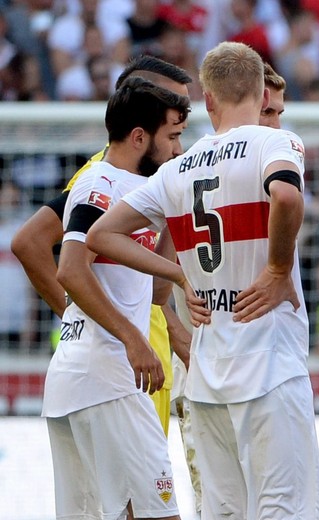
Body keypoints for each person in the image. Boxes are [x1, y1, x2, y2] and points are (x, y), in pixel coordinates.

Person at [87, 41, 319, 518]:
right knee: (284, 508)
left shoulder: (177, 168)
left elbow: (101, 234)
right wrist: (277, 270)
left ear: (208, 102)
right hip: (269, 366)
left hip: (209, 375)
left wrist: (179, 275)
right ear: (260, 95)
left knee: (224, 511)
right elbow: (288, 198)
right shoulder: (277, 142)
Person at [12, 54, 193, 435]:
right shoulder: (103, 176)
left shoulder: (152, 177)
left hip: (142, 351)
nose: (180, 138)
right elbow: (31, 243)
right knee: (141, 491)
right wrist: (80, 316)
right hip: (122, 359)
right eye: (172, 123)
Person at [43, 77, 190, 520]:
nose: (178, 149)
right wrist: (132, 338)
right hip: (106, 377)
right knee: (159, 515)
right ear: (140, 136)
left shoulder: (137, 191)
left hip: (86, 380)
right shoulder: (100, 186)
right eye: (172, 137)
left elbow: (157, 292)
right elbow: (70, 268)